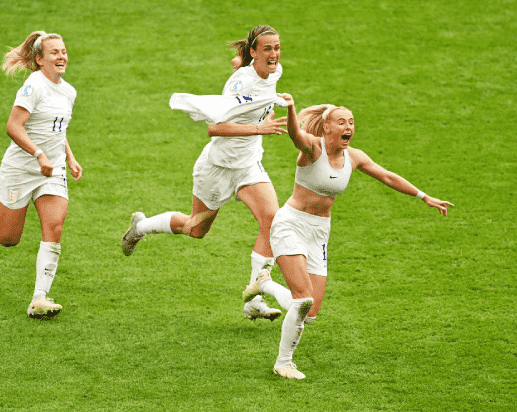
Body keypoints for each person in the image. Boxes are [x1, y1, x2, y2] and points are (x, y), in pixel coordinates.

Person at [243, 93, 454, 379]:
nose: (349, 127)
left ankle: (264, 282)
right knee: (302, 300)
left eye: (352, 122)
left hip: (319, 232)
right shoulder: (311, 149)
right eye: (342, 122)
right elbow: (295, 133)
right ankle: (284, 362)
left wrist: (423, 196)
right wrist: (291, 108)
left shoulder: (353, 157)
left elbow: (387, 176)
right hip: (291, 224)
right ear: (327, 127)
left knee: (310, 311)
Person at [121, 25, 291, 321]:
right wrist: (259, 127)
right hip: (218, 168)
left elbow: (244, 68)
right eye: (267, 49)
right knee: (196, 229)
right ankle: (141, 226)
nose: (274, 54)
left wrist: (243, 68)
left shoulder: (272, 71)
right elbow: (215, 127)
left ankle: (254, 298)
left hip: (249, 165)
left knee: (272, 219)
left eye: (277, 48)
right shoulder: (241, 84)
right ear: (255, 52)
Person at [0, 31, 83, 319]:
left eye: (64, 51)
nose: (61, 56)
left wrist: (69, 156)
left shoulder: (69, 91)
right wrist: (38, 154)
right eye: (54, 52)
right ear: (40, 59)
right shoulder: (33, 86)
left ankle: (39, 299)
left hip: (52, 170)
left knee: (54, 226)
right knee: (8, 238)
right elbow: (14, 126)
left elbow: (57, 129)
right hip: (21, 168)